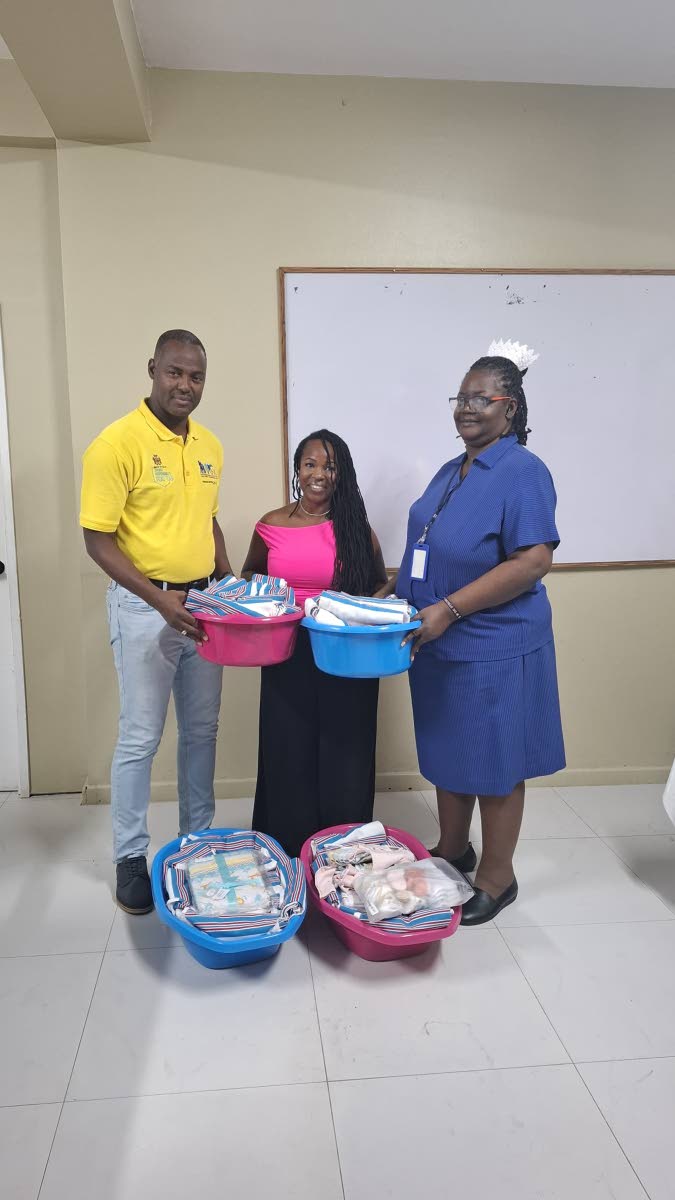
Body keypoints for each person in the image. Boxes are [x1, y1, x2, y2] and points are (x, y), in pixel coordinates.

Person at [382, 340, 565, 925]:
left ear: (509, 409)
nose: (466, 408)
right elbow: (424, 547)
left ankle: (496, 875)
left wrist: (450, 610)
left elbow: (534, 559)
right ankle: (455, 850)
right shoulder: (450, 468)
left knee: (495, 762)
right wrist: (386, 599)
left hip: (492, 645)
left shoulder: (522, 471)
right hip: (435, 644)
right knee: (446, 750)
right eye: (460, 397)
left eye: (480, 399)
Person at [80, 329, 232, 914]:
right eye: (175, 373)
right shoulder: (115, 444)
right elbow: (98, 541)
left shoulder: (210, 445)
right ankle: (129, 857)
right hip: (146, 607)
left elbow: (208, 522)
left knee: (202, 732)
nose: (185, 386)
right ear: (152, 369)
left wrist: (227, 585)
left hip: (205, 610)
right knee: (141, 737)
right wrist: (161, 600)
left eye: (195, 376)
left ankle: (199, 842)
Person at [241, 429, 387, 856]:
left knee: (346, 748)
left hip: (344, 650)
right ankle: (288, 846)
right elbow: (249, 574)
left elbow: (379, 584)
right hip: (286, 649)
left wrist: (352, 611)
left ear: (342, 474)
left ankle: (340, 847)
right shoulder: (271, 524)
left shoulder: (356, 529)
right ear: (297, 470)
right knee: (289, 745)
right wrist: (276, 599)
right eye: (310, 464)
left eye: (330, 465)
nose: (319, 474)